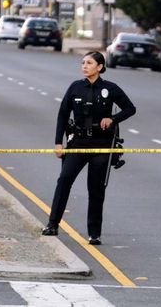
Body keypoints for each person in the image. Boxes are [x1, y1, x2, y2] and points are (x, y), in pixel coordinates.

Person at [42, 51, 136, 245]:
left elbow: (130, 108)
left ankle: (94, 233)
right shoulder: (75, 87)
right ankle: (52, 224)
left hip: (101, 145)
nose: (84, 66)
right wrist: (58, 143)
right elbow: (62, 115)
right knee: (64, 180)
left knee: (95, 189)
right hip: (77, 143)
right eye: (83, 63)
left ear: (100, 67)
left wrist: (113, 118)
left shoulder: (110, 89)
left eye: (89, 63)